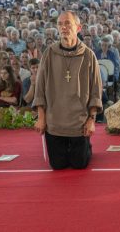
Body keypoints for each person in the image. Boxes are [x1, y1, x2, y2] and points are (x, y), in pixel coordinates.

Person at [33, 11, 102, 170]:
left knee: (80, 164)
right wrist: (41, 117)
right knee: (58, 165)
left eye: (67, 23)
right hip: (55, 122)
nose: (63, 27)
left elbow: (95, 91)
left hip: (79, 122)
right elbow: (40, 88)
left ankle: (86, 147)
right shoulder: (49, 54)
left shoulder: (88, 56)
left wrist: (91, 120)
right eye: (60, 24)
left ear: (78, 27)